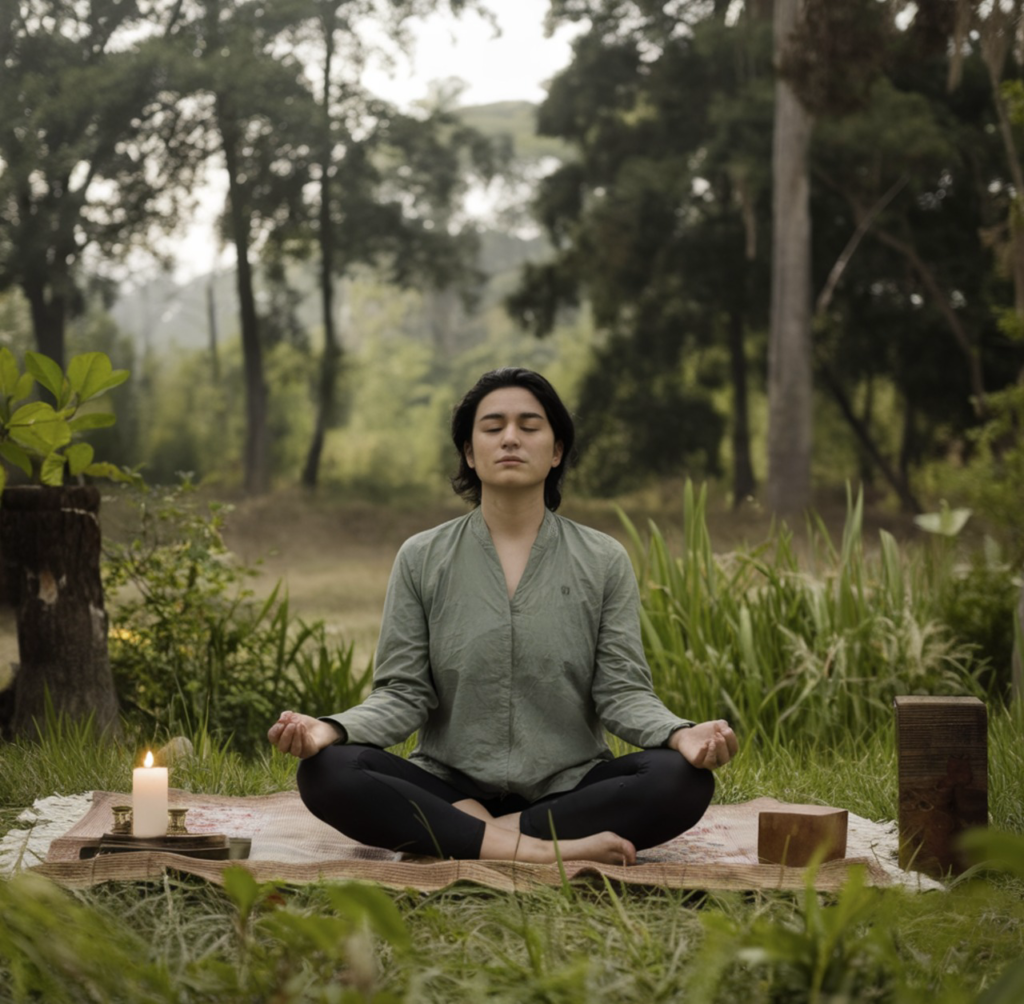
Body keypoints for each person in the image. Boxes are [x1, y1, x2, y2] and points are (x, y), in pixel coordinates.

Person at [268, 367, 737, 865]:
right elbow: (403, 695)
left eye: (529, 426)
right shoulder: (421, 556)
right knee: (326, 772)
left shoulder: (603, 559)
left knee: (680, 780)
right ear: (470, 453)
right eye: (492, 427)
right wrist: (329, 731)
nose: (510, 438)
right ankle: (538, 853)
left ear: (556, 451)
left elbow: (622, 692)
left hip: (568, 792)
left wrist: (681, 734)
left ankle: (477, 838)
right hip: (447, 787)